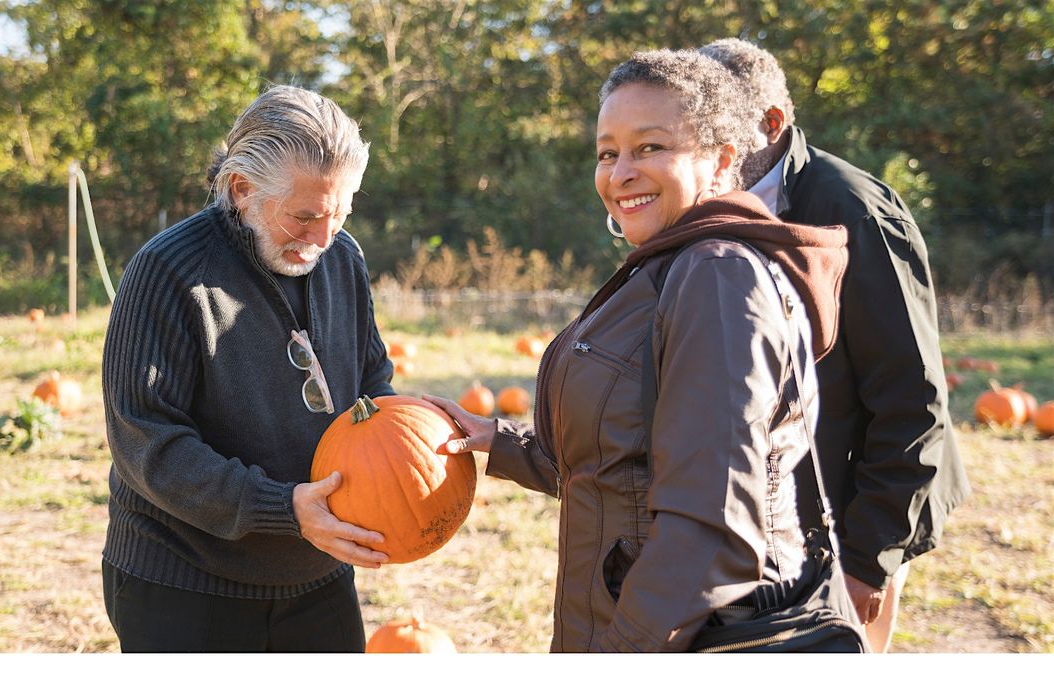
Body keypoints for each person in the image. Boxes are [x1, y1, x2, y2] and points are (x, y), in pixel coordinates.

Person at [426, 49, 851, 652]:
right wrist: (500, 442)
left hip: (679, 636)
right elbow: (626, 460)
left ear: (722, 159)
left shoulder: (719, 279)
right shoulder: (668, 268)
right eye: (607, 153)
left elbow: (712, 528)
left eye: (650, 148)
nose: (619, 173)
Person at [99, 85, 394, 652]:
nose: (322, 238)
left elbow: (372, 381)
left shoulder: (344, 257)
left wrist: (396, 453)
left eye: (340, 213)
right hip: (185, 581)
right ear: (242, 190)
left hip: (317, 573)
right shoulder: (168, 272)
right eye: (304, 216)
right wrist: (281, 508)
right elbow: (147, 442)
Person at [699, 37, 971, 652]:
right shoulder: (713, 205)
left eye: (718, 126)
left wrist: (869, 558)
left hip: (861, 507)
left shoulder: (850, 210)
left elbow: (911, 394)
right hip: (779, 510)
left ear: (772, 123)